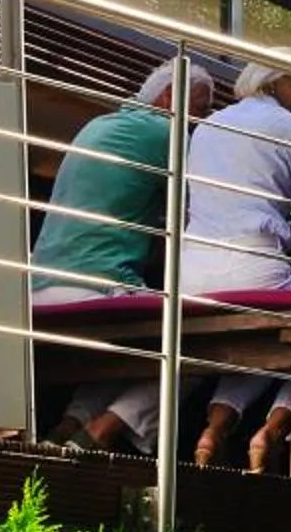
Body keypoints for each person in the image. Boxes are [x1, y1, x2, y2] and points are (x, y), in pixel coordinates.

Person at [31, 60, 216, 455]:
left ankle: (68, 425)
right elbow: (200, 214)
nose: (199, 122)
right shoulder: (169, 133)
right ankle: (103, 431)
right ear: (171, 98)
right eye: (200, 109)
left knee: (139, 340)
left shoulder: (96, 125)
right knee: (202, 346)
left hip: (38, 287)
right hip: (93, 286)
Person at [177, 62, 291, 472]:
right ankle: (273, 430)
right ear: (276, 80)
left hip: (191, 276)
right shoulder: (289, 127)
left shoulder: (208, 126)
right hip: (253, 268)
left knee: (261, 346)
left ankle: (214, 430)